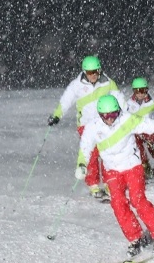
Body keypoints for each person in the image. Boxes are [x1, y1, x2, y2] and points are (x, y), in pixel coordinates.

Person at [78, 94, 154, 257]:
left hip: (132, 166)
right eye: (106, 116)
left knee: (138, 200)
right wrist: (82, 164)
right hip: (112, 170)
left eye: (113, 114)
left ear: (118, 112)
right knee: (118, 203)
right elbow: (85, 147)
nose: (110, 119)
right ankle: (135, 237)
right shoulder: (93, 127)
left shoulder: (127, 120)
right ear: (100, 115)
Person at [48, 55, 118, 200]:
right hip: (86, 125)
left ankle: (109, 183)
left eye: (95, 72)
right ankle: (93, 185)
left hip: (105, 123)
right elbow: (66, 101)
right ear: (84, 72)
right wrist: (57, 115)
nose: (92, 75)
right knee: (91, 156)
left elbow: (118, 99)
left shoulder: (107, 82)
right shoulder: (76, 85)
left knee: (107, 154)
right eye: (89, 72)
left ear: (99, 70)